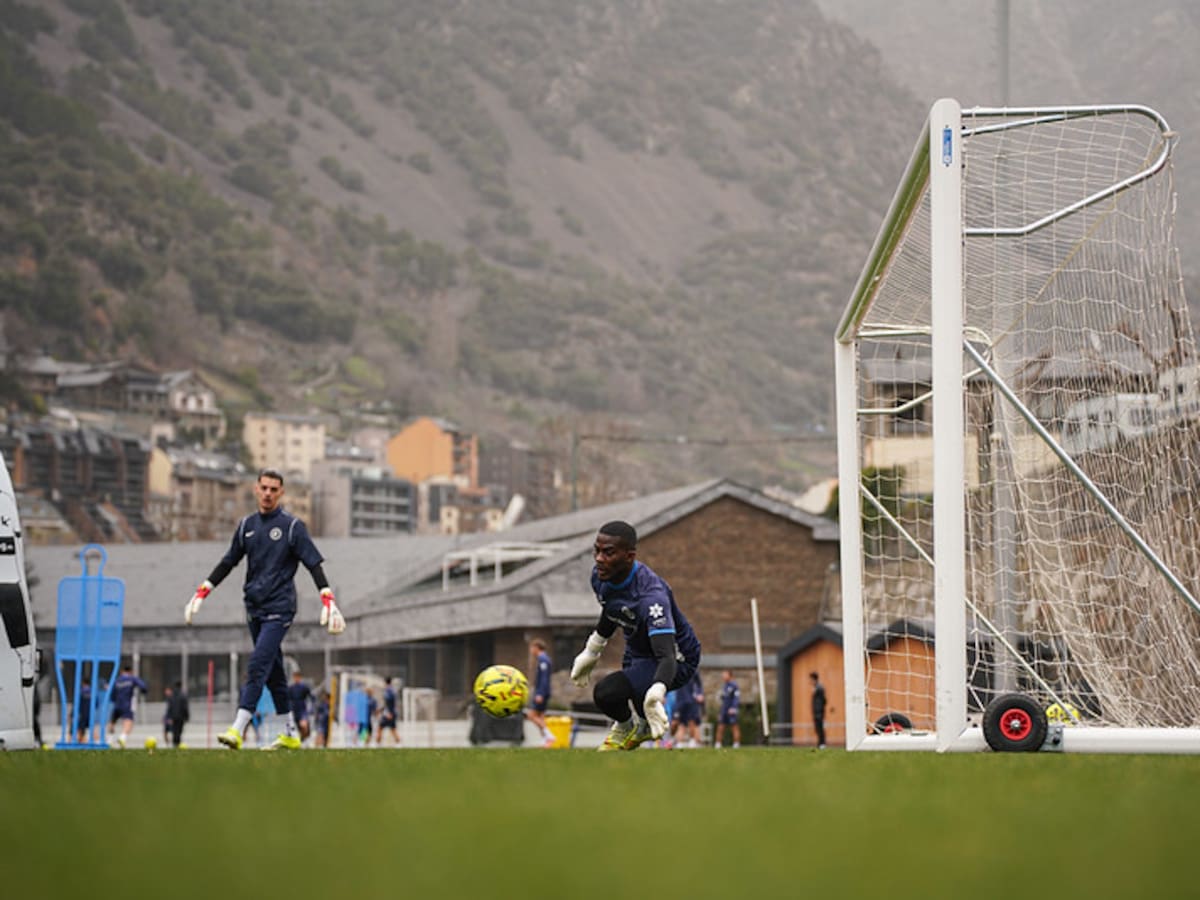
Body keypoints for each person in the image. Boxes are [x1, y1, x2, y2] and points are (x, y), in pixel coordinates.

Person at [184, 466, 346, 750]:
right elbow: (228, 562)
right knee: (274, 673)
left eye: (274, 489)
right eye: (264, 488)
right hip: (254, 608)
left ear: (281, 492)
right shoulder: (246, 526)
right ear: (256, 489)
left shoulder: (292, 527)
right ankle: (290, 733)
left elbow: (313, 564)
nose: (268, 493)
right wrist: (202, 591)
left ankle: (238, 728)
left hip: (280, 607)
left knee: (258, 664)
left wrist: (328, 600)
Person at [569, 520, 701, 751]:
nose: (599, 558)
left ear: (629, 557)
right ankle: (637, 726)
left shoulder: (651, 597)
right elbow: (612, 610)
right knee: (635, 698)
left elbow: (667, 656)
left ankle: (627, 728)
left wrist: (658, 690)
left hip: (676, 657)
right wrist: (592, 650)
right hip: (637, 649)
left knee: (607, 693)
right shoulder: (600, 577)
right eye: (596, 551)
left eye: (608, 553)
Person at [110, 663, 148, 748]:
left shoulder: (117, 680)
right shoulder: (132, 678)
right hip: (126, 704)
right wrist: (144, 691)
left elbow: (112, 694)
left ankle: (110, 739)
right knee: (128, 722)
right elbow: (143, 686)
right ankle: (122, 737)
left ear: (122, 671)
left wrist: (114, 700)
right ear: (130, 671)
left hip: (117, 705)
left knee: (112, 722)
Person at [526, 638, 554, 747]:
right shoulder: (542, 659)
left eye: (531, 648)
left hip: (541, 692)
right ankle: (545, 740)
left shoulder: (543, 660)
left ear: (536, 648)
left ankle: (549, 735)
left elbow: (544, 679)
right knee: (540, 716)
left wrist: (540, 694)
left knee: (531, 715)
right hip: (543, 692)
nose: (531, 651)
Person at [671, 669, 705, 748]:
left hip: (691, 701)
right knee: (674, 723)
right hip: (679, 702)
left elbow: (699, 684)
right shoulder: (676, 669)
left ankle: (691, 741)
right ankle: (672, 739)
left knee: (690, 722)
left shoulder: (693, 670)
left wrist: (700, 694)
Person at [714, 669, 741, 748]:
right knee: (720, 726)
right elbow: (723, 698)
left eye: (725, 674)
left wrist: (733, 708)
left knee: (734, 726)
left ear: (730, 675)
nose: (723, 676)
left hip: (731, 710)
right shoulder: (725, 686)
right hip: (724, 710)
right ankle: (718, 743)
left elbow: (736, 698)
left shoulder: (734, 685)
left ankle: (736, 743)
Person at [287, 670, 312, 743]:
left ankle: (306, 735)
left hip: (302, 709)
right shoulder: (291, 688)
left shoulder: (304, 687)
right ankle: (302, 740)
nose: (296, 678)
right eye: (295, 677)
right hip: (295, 710)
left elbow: (311, 697)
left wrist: (311, 708)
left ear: (300, 678)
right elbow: (288, 699)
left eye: (298, 677)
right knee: (298, 728)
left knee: (303, 725)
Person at [376, 676, 400, 745]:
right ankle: (399, 743)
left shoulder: (388, 691)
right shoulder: (391, 690)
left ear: (385, 682)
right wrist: (381, 710)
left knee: (380, 727)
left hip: (389, 713)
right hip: (391, 712)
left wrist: (390, 713)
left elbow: (389, 703)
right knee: (393, 729)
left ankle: (378, 744)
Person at [165, 680, 189, 747]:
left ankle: (175, 744)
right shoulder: (183, 695)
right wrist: (187, 716)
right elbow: (185, 707)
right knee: (179, 731)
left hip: (173, 717)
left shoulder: (171, 696)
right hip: (181, 717)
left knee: (174, 731)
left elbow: (169, 707)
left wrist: (169, 717)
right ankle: (177, 743)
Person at [810, 671, 827, 749]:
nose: (810, 681)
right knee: (817, 728)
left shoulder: (819, 688)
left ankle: (822, 744)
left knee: (820, 728)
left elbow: (824, 700)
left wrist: (819, 710)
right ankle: (820, 743)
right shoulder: (816, 687)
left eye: (811, 679)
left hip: (819, 712)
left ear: (814, 679)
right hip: (816, 712)